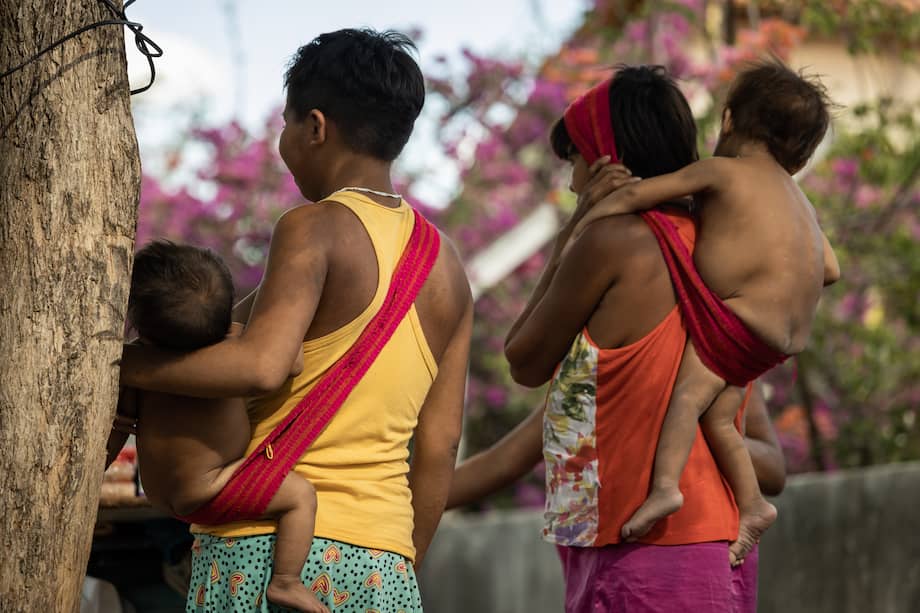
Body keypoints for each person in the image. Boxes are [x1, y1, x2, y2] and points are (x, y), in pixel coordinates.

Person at [119, 28, 472, 612]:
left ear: (315, 126)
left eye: (285, 124)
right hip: (385, 566)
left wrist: (118, 364)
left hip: (266, 547)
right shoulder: (448, 269)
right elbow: (441, 443)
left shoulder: (314, 226)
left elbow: (259, 366)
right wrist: (396, 563)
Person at [502, 64, 749, 612]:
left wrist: (575, 231)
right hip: (718, 538)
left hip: (641, 546)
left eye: (575, 160)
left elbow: (523, 360)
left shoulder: (614, 242)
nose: (571, 182)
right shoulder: (716, 239)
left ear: (608, 159)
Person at [571, 59, 839, 563]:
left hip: (739, 326)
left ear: (732, 120)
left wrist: (590, 219)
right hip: (777, 340)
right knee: (720, 420)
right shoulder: (801, 201)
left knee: (687, 402)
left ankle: (665, 488)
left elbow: (642, 194)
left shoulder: (722, 171)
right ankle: (755, 504)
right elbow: (830, 269)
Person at [108, 240, 326, 613]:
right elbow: (291, 362)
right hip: (212, 486)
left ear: (140, 323)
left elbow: (118, 426)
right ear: (223, 314)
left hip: (160, 493)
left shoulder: (138, 367)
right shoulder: (238, 351)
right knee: (300, 497)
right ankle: (287, 581)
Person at [447, 382, 785, 607]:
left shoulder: (712, 359)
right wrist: (403, 500)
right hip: (599, 577)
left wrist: (698, 424)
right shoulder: (586, 374)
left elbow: (773, 470)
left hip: (684, 567)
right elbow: (504, 461)